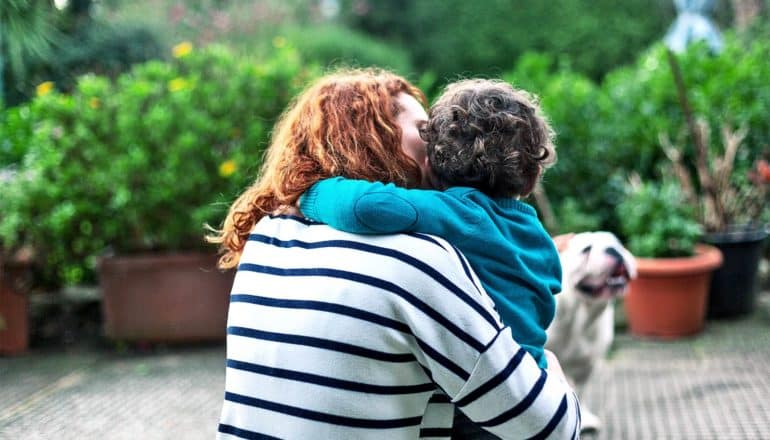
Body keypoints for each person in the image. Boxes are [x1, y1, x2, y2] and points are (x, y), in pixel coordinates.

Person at [209, 69, 580, 439]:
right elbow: (550, 427)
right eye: (424, 129)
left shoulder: (269, 235)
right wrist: (552, 373)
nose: (434, 143)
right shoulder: (418, 259)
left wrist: (303, 191)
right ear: (374, 138)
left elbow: (365, 207)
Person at [300, 79, 560, 370]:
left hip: (485, 385)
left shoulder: (453, 214)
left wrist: (308, 191)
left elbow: (360, 207)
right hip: (534, 372)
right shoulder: (538, 237)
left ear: (432, 163)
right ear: (531, 178)